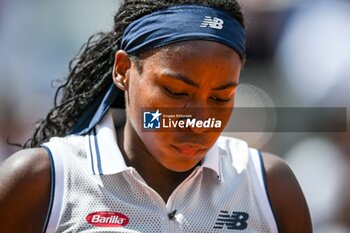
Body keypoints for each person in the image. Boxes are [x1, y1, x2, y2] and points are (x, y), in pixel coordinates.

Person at [0, 0, 312, 232]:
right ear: (123, 71)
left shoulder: (269, 186)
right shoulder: (41, 182)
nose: (198, 121)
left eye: (221, 97)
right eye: (176, 92)